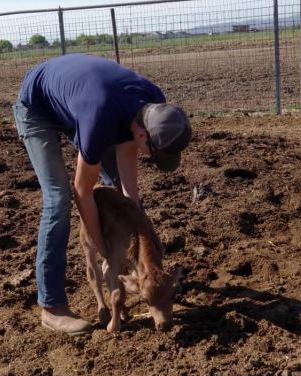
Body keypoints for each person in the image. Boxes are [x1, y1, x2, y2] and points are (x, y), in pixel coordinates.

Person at [13, 54, 192, 334]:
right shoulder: (99, 119)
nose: (149, 157)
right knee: (59, 198)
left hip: (81, 102)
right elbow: (83, 194)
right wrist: (106, 251)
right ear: (145, 136)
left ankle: (142, 275)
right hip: (37, 107)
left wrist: (147, 263)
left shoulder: (154, 103)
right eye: (153, 154)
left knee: (126, 198)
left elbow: (128, 188)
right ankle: (51, 306)